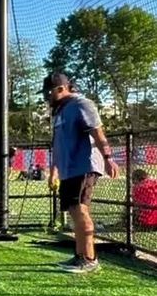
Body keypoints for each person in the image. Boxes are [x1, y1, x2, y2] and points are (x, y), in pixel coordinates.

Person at [42, 72, 119, 273]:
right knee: (75, 212)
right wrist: (54, 172)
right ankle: (79, 256)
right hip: (68, 170)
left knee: (80, 210)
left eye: (48, 92)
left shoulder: (82, 104)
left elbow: (98, 133)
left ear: (61, 88)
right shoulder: (60, 112)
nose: (46, 97)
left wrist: (108, 158)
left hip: (83, 166)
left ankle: (89, 259)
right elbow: (58, 145)